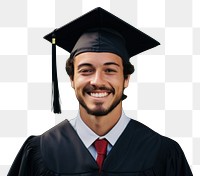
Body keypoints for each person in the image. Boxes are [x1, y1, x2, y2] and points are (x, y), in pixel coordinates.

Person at [8, 7, 193, 176]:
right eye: (86, 70)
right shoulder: (41, 151)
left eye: (110, 70)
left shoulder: (162, 153)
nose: (97, 81)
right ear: (72, 79)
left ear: (126, 78)